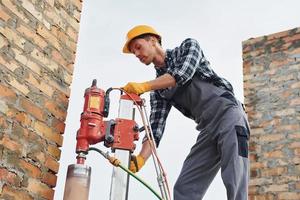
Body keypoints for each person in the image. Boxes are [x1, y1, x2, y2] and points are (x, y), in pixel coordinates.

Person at [121, 25, 250, 200]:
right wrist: (141, 158)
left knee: (234, 178)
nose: (136, 54)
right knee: (184, 189)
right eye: (133, 52)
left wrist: (144, 86)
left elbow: (182, 74)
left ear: (153, 40)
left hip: (229, 115)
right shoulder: (159, 90)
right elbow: (155, 129)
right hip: (207, 128)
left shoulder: (188, 47)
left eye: (137, 47)